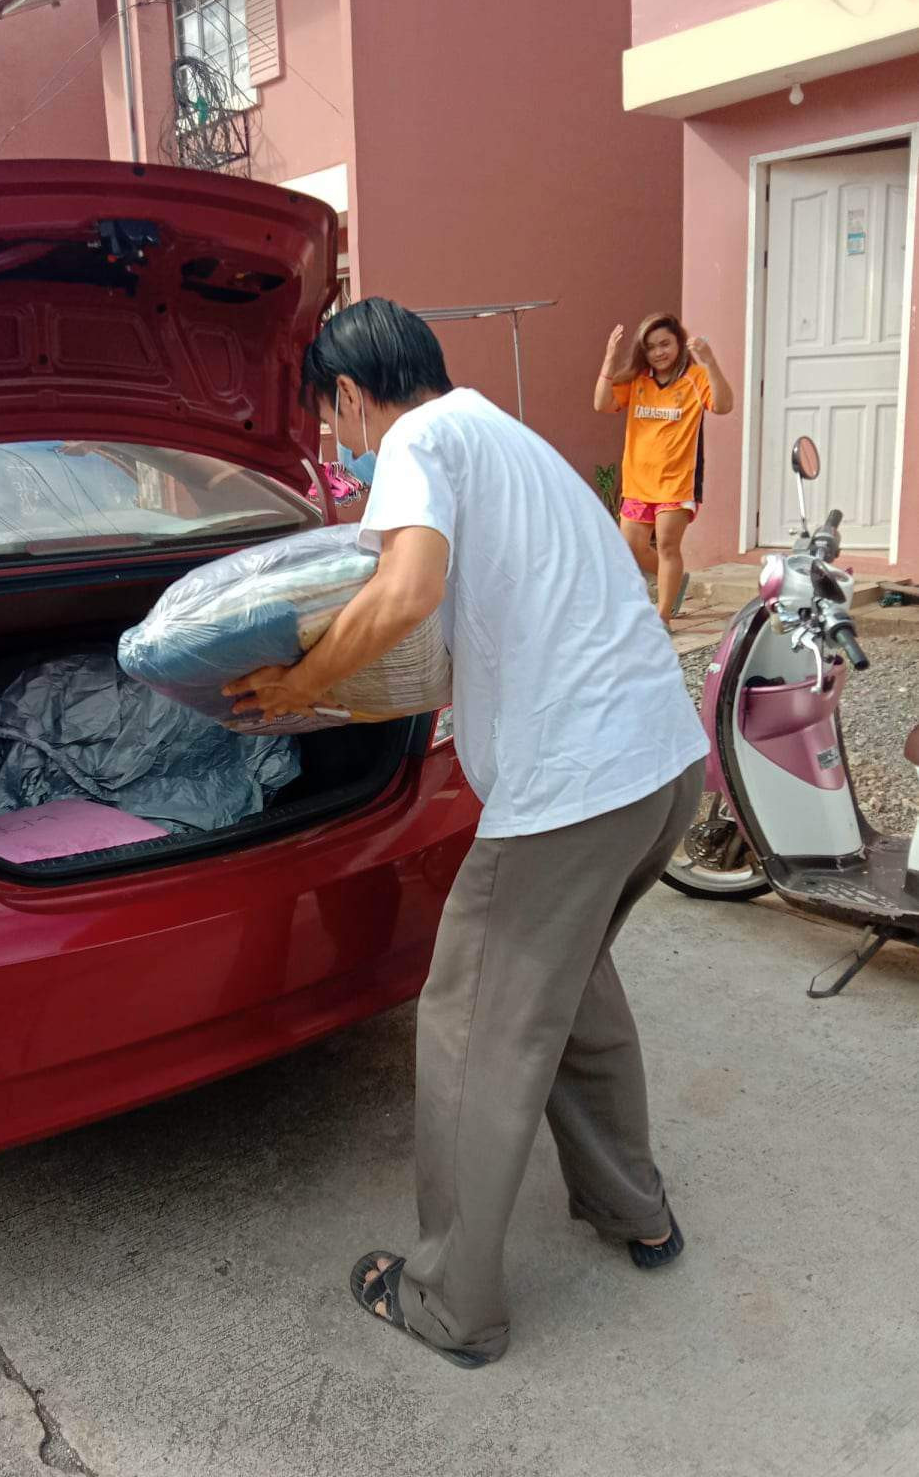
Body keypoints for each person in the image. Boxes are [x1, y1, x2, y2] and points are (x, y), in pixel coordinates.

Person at [224, 298, 708, 1369]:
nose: (340, 445)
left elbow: (408, 591)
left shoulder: (417, 439)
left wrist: (299, 686)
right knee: (572, 997)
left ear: (352, 393)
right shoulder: (506, 436)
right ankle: (635, 1213)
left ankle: (449, 1303)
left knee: (470, 1032)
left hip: (572, 794)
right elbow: (476, 627)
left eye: (333, 421)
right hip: (662, 768)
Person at [594, 313, 734, 625]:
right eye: (651, 347)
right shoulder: (637, 379)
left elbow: (724, 405)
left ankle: (663, 616)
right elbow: (602, 404)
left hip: (677, 481)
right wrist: (609, 359)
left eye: (665, 344)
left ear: (679, 343)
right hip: (638, 481)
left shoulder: (695, 377)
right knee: (631, 547)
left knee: (668, 546)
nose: (659, 352)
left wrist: (710, 362)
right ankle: (674, 579)